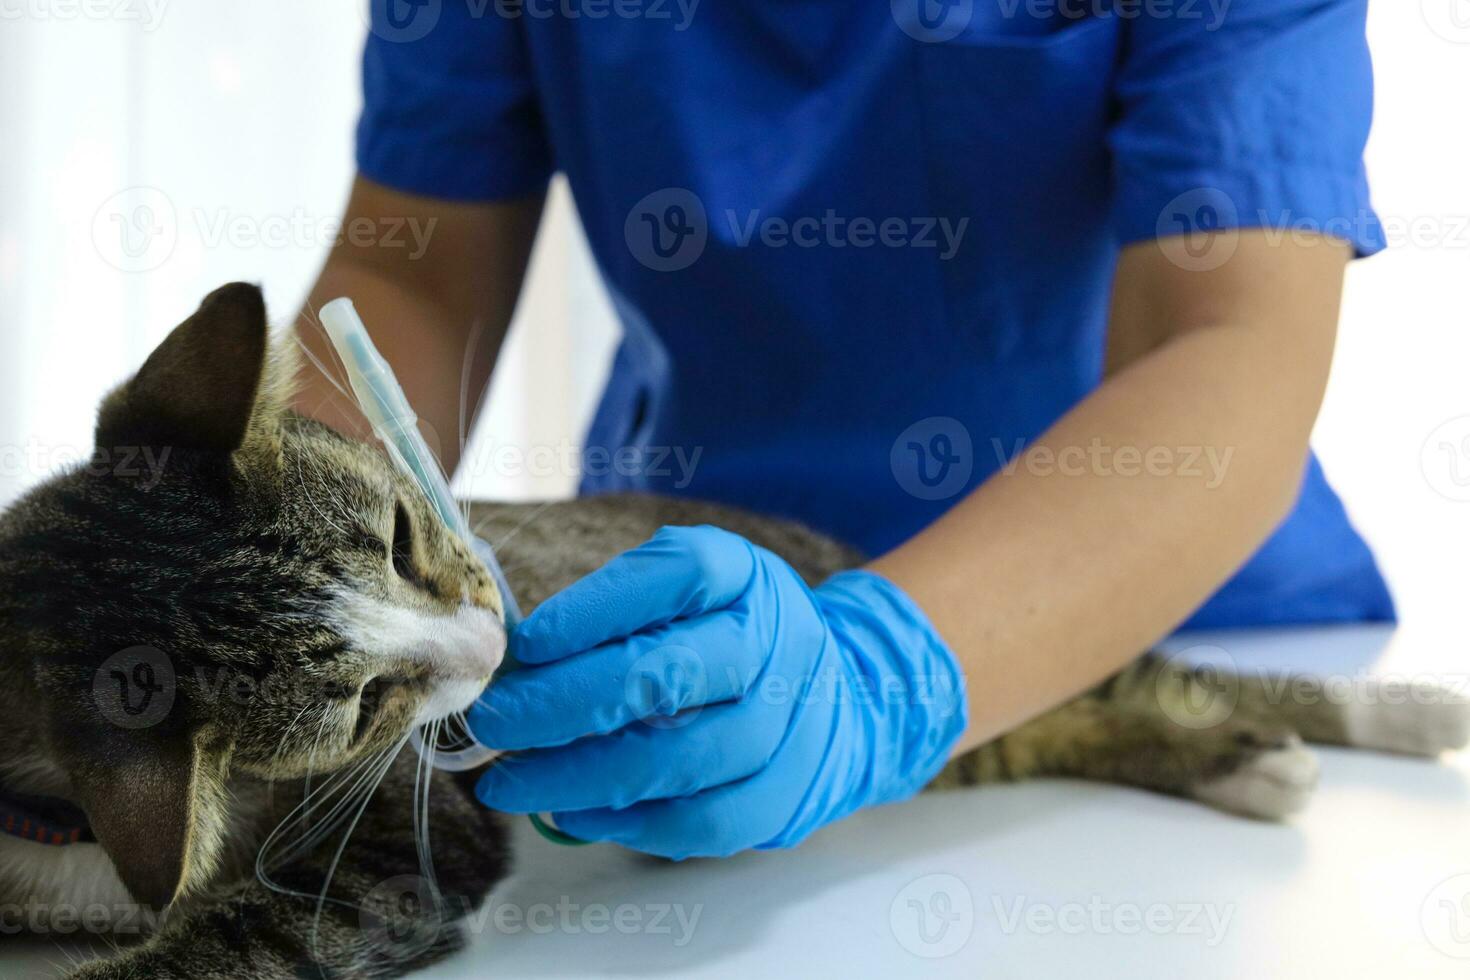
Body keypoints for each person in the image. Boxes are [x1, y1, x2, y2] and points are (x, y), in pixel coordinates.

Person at [296, 0, 1393, 859]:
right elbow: (413, 272)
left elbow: (1230, 342)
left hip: (1179, 620)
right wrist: (280, 531)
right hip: (668, 636)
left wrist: (878, 674)